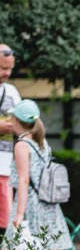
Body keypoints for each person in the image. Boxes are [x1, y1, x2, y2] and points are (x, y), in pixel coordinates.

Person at [5, 99, 78, 250]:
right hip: (47, 205)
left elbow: (24, 180)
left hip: (29, 206)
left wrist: (19, 214)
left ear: (16, 121)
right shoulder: (42, 143)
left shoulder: (22, 145)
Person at [0, 43, 24, 233]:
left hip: (5, 166)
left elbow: (28, 126)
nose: (7, 73)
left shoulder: (11, 93)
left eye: (10, 68)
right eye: (2, 68)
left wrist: (16, 126)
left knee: (5, 223)